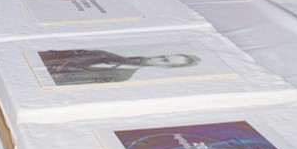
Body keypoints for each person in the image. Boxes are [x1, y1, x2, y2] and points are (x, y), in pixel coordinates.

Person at [39, 49, 201, 86]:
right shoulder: (104, 54)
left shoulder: (120, 77)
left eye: (164, 61)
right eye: (163, 56)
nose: (157, 58)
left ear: (165, 68)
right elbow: (54, 53)